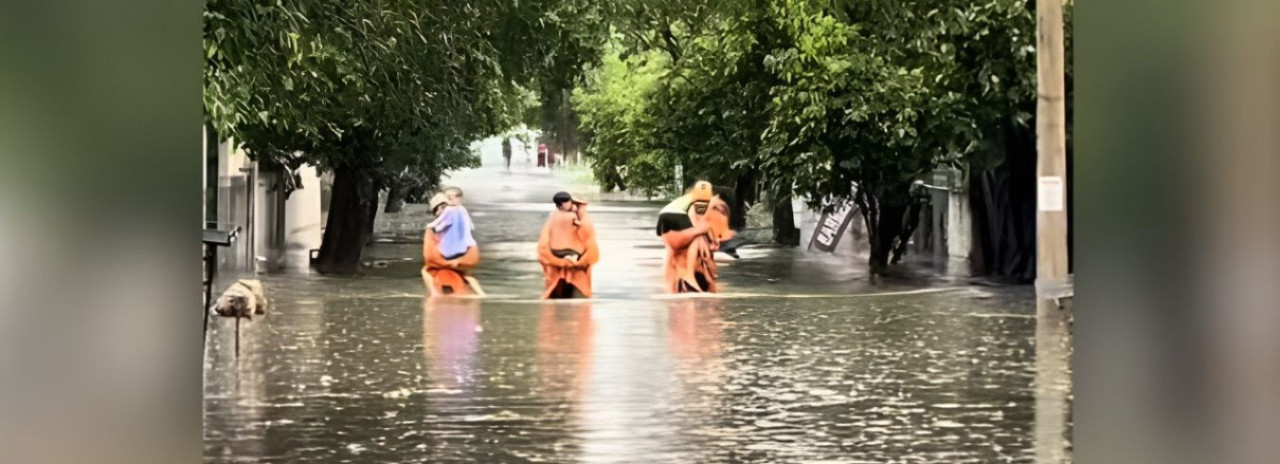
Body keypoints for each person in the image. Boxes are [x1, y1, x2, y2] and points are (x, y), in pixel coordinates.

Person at [656, 181, 735, 293]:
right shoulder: (699, 202)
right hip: (675, 215)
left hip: (663, 216)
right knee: (696, 238)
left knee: (672, 251)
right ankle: (690, 275)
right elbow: (698, 224)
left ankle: (670, 286)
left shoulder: (689, 200)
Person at [537, 192, 599, 299]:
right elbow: (592, 248)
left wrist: (557, 261)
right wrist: (580, 262)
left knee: (553, 297)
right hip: (575, 262)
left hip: (558, 261)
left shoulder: (553, 218)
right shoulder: (579, 217)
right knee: (579, 299)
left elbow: (542, 248)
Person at [422, 190, 484, 296]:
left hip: (443, 261)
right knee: (467, 274)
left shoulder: (434, 228)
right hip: (460, 260)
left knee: (425, 271)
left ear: (436, 212)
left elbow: (429, 253)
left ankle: (434, 293)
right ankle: (481, 294)